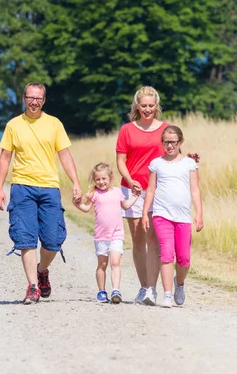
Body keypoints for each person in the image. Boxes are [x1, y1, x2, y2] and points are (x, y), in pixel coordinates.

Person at [0, 82, 83, 304]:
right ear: (23, 98)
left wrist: (75, 182)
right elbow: (5, 158)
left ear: (43, 100)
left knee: (53, 239)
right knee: (25, 238)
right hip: (22, 187)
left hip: (49, 188)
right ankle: (33, 286)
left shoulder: (54, 124)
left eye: (38, 98)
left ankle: (42, 270)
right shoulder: (14, 125)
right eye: (30, 97)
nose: (34, 102)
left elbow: (64, 155)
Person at [116, 86, 169, 306]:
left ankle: (152, 290)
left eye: (151, 105)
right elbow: (120, 161)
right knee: (138, 241)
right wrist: (130, 181)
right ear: (137, 106)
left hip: (158, 191)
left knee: (153, 240)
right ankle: (144, 286)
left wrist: (190, 159)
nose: (147, 109)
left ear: (157, 106)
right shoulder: (127, 130)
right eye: (143, 106)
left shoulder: (166, 129)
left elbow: (173, 155)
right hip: (132, 190)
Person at [142, 125, 203, 308]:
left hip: (183, 217)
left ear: (180, 142)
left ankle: (179, 284)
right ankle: (167, 294)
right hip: (162, 215)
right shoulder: (156, 164)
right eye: (166, 142)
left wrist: (199, 213)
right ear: (162, 143)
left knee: (184, 258)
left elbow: (195, 190)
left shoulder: (189, 164)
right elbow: (151, 190)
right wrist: (145, 213)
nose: (169, 146)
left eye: (173, 142)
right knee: (166, 254)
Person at [73, 162, 139, 304]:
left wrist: (135, 196)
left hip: (116, 234)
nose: (101, 182)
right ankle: (101, 291)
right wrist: (76, 203)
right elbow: (85, 208)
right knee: (102, 265)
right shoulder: (94, 194)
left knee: (115, 262)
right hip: (101, 236)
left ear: (110, 178)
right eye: (98, 179)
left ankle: (116, 290)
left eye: (104, 179)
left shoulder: (117, 192)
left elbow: (126, 205)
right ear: (94, 180)